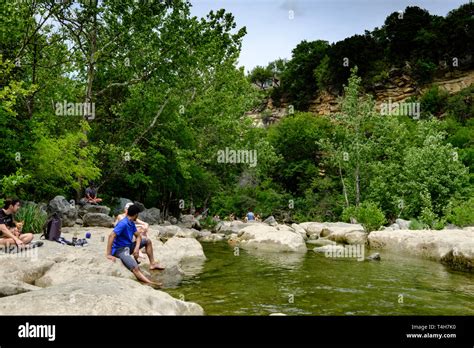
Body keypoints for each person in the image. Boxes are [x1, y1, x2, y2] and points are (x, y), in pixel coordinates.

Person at [106, 204, 164, 286]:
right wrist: (108, 254)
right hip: (120, 250)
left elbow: (139, 236)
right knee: (135, 267)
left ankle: (152, 264)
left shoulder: (131, 223)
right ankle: (151, 283)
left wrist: (136, 248)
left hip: (128, 246)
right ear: (136, 214)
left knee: (147, 241)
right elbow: (111, 236)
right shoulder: (123, 223)